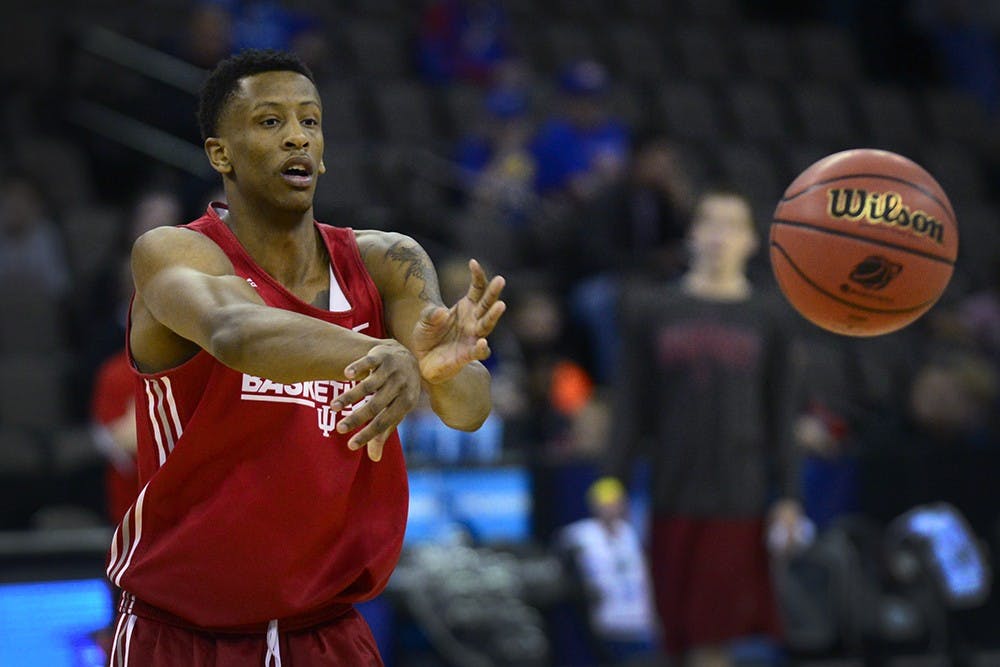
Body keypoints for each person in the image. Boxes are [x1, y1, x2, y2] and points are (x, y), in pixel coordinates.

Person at [105, 49, 506, 666]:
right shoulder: (172, 254)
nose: (297, 135)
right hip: (183, 635)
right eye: (270, 122)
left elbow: (469, 407)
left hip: (327, 632)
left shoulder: (385, 261)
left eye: (310, 121)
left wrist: (441, 371)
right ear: (220, 154)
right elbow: (237, 333)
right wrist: (382, 351)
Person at [605, 188, 806, 667]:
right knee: (674, 638)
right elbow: (630, 406)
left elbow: (782, 414)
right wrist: (610, 481)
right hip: (672, 493)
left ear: (751, 241)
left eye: (732, 225)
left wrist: (789, 496)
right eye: (709, 223)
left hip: (739, 498)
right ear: (692, 234)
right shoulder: (652, 309)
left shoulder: (770, 317)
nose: (719, 235)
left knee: (712, 642)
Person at [556, 477, 658, 665]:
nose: (610, 508)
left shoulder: (634, 533)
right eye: (605, 504)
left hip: (640, 621)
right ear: (594, 506)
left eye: (614, 503)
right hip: (607, 621)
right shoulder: (580, 535)